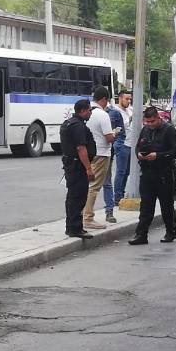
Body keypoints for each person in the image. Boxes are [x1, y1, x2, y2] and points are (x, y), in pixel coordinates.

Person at [128, 105, 176, 245]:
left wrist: (158, 155)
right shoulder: (145, 130)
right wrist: (139, 154)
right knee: (146, 206)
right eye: (147, 122)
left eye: (152, 122)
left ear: (158, 118)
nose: (150, 125)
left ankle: (171, 231)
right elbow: (138, 146)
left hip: (164, 174)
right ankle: (141, 235)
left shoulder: (169, 130)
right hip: (147, 173)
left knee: (166, 205)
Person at [60, 99, 96, 239]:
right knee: (78, 196)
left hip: (71, 164)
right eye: (89, 110)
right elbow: (81, 148)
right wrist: (88, 168)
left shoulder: (70, 123)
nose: (90, 113)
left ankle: (72, 226)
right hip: (77, 166)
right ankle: (75, 228)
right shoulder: (78, 126)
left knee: (73, 196)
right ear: (82, 111)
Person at [83, 88, 116, 230]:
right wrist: (115, 133)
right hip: (101, 153)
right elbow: (109, 138)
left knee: (86, 185)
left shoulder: (86, 113)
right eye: (107, 101)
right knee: (94, 186)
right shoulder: (102, 115)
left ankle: (82, 215)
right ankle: (88, 217)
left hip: (88, 153)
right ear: (104, 99)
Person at [112, 90, 133, 204]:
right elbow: (116, 128)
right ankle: (117, 197)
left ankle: (122, 193)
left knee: (127, 171)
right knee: (121, 171)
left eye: (130, 99)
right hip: (122, 144)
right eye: (126, 99)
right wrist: (129, 120)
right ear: (120, 98)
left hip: (131, 144)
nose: (129, 101)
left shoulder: (130, 110)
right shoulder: (115, 111)